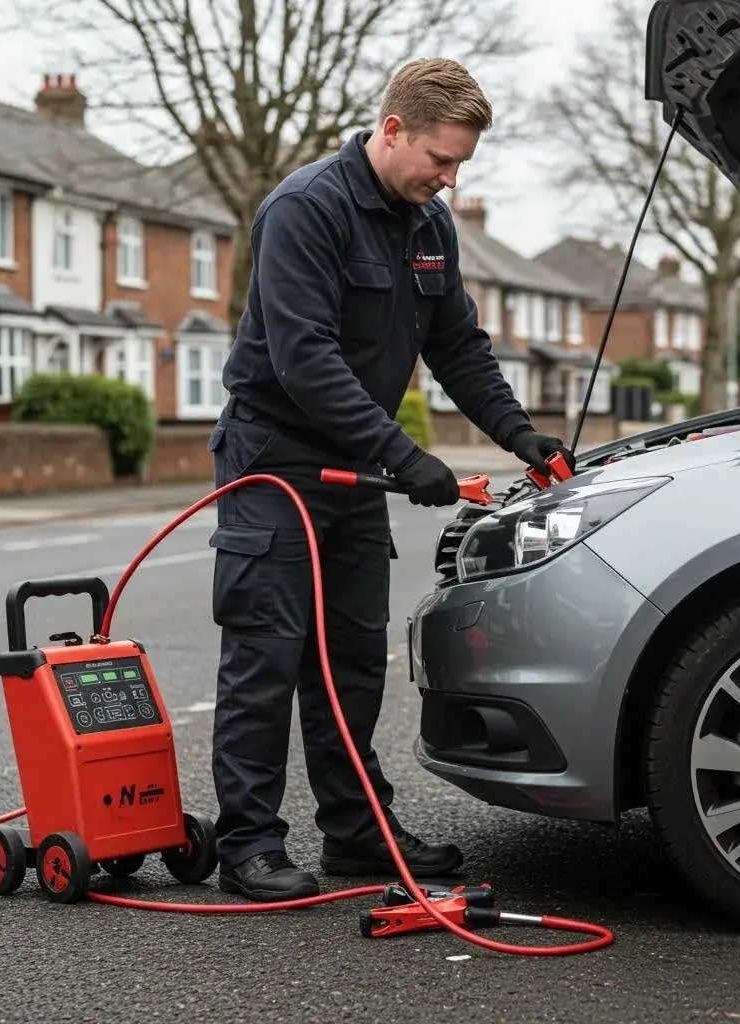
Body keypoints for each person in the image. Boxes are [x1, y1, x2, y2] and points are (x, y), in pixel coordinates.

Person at [207, 55, 577, 903]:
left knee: (352, 660)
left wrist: (522, 436)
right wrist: (405, 454)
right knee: (267, 655)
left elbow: (458, 348)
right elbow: (304, 357)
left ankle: (357, 832)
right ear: (393, 129)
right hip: (273, 461)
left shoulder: (428, 227)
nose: (448, 181)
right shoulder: (306, 209)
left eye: (461, 169)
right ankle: (249, 844)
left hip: (353, 467)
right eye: (440, 160)